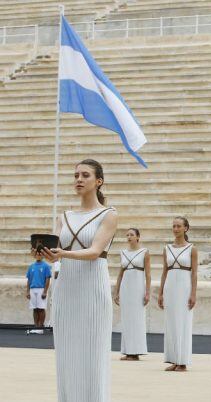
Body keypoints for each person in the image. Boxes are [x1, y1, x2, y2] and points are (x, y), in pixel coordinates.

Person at [40, 159, 118, 402]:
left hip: (93, 288)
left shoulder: (108, 214)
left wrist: (64, 254)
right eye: (76, 175)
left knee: (92, 353)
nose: (79, 179)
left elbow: (95, 252)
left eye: (85, 175)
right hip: (66, 288)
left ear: (98, 181)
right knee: (67, 353)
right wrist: (44, 253)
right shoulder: (64, 216)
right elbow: (55, 253)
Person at [158, 217, 197, 372]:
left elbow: (194, 273)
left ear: (186, 228)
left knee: (183, 322)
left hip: (184, 287)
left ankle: (183, 361)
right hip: (170, 288)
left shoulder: (192, 249)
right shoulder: (167, 248)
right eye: (173, 226)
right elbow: (164, 272)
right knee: (171, 323)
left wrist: (193, 293)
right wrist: (160, 293)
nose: (175, 229)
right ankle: (174, 359)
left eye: (179, 226)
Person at [114, 228, 150, 361]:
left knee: (137, 319)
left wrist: (147, 292)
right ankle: (128, 351)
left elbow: (148, 274)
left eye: (132, 235)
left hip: (138, 289)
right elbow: (120, 273)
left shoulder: (144, 252)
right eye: (127, 235)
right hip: (126, 288)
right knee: (127, 319)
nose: (129, 237)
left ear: (138, 237)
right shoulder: (123, 253)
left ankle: (136, 352)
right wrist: (116, 291)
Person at [25, 252, 51, 334]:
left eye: (40, 254)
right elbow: (29, 280)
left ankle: (40, 327)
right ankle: (36, 326)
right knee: (35, 308)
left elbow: (47, 279)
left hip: (41, 289)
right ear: (35, 255)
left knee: (41, 308)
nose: (39, 255)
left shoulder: (46, 266)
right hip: (33, 289)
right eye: (37, 254)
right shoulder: (31, 266)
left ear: (43, 255)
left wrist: (45, 291)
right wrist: (27, 291)